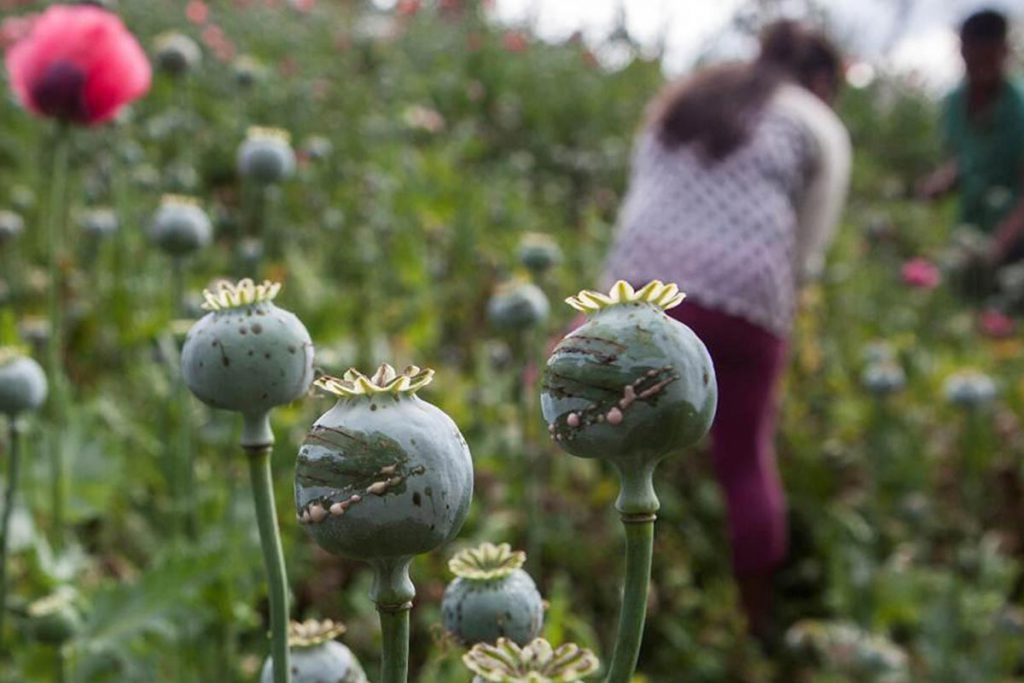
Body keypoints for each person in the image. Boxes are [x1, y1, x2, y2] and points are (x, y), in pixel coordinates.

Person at [603, 20, 850, 638]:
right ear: (821, 81)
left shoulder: (692, 91)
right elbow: (807, 250)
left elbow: (641, 194)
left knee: (576, 399)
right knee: (743, 458)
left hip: (636, 283)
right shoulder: (816, 122)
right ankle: (754, 624)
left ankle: (585, 563)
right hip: (745, 299)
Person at [918, 9, 1024, 265]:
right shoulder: (954, 103)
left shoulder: (1019, 108)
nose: (978, 71)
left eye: (987, 61)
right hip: (969, 234)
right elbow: (963, 160)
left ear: (1004, 52)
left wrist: (996, 248)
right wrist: (939, 183)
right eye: (972, 61)